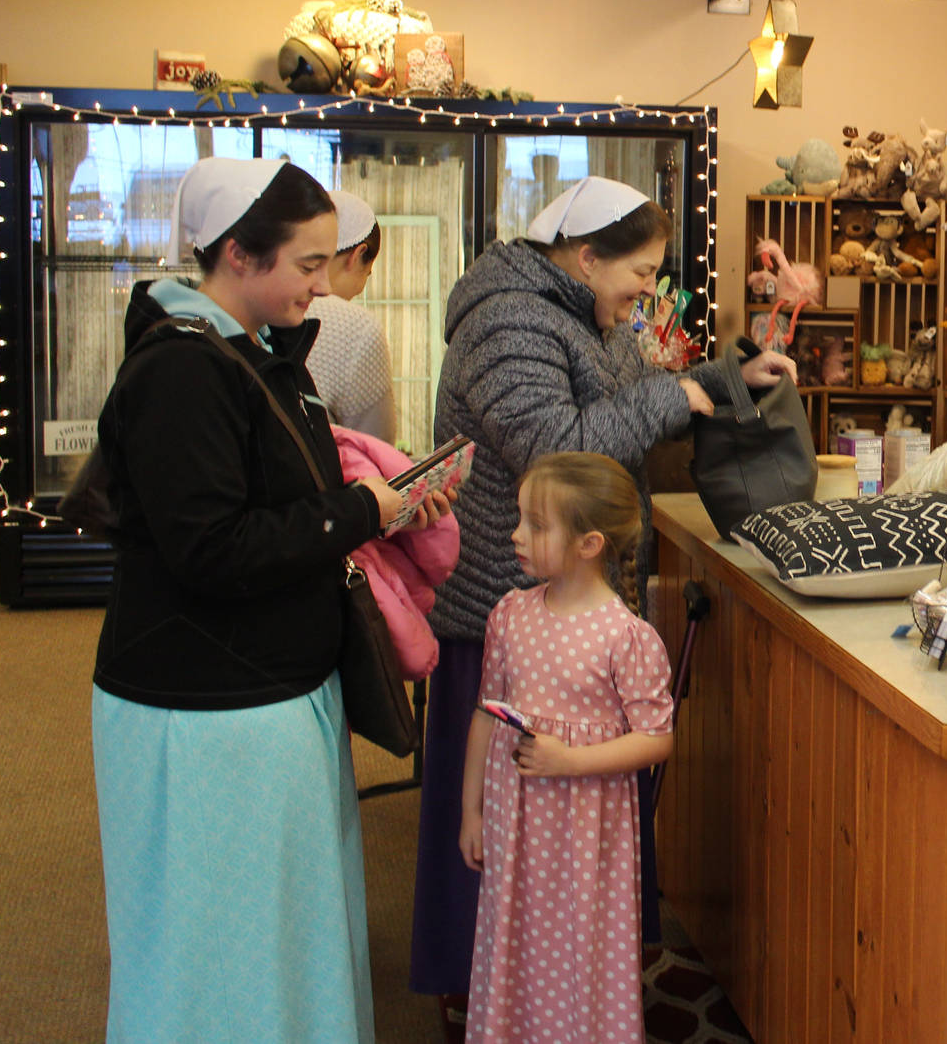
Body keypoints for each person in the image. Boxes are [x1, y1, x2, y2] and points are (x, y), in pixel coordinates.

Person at [411, 175, 795, 1031]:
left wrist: (723, 376)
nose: (648, 291)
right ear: (586, 257)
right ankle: (481, 986)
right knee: (495, 818)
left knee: (564, 835)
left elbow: (629, 394)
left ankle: (565, 975)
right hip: (505, 603)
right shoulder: (506, 319)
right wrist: (677, 396)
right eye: (640, 271)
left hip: (573, 602)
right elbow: (561, 449)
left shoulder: (581, 313)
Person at [89, 157, 446, 1043]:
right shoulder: (184, 370)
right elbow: (211, 547)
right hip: (206, 703)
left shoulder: (252, 353)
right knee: (217, 940)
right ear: (239, 254)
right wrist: (363, 508)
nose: (323, 286)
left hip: (261, 692)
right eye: (309, 264)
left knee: (278, 930)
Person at [460, 452, 677, 1043]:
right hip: (516, 825)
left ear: (589, 544)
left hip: (586, 837)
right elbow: (485, 716)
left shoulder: (626, 637)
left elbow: (657, 739)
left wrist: (570, 760)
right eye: (521, 519)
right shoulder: (510, 615)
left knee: (581, 948)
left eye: (536, 524)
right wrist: (471, 811)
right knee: (516, 935)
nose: (516, 535)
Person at [307, 187, 397, 442]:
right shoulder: (355, 328)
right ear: (357, 255)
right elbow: (377, 446)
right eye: (366, 274)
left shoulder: (264, 305)